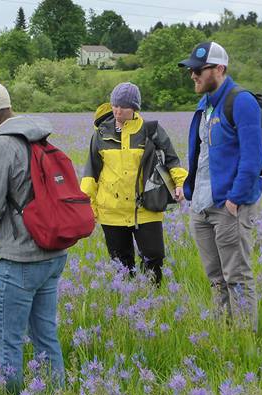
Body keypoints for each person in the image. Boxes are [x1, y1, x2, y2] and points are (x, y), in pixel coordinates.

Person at [0, 81, 67, 395]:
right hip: (51, 253)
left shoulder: (0, 143)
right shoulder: (36, 134)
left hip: (20, 257)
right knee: (45, 335)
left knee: (7, 340)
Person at [178, 41, 262, 331]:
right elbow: (202, 153)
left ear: (219, 69)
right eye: (191, 71)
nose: (193, 76)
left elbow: (253, 158)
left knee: (237, 277)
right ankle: (224, 333)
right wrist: (189, 191)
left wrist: (235, 199)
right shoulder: (205, 105)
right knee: (216, 278)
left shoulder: (241, 101)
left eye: (198, 70)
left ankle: (244, 340)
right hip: (202, 205)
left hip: (229, 206)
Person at [80, 82, 187, 284]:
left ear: (135, 108)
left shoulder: (151, 130)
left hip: (147, 207)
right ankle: (127, 300)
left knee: (154, 259)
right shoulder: (101, 134)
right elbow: (90, 173)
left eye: (123, 107)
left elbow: (172, 159)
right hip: (111, 210)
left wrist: (180, 183)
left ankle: (152, 301)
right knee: (121, 264)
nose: (118, 111)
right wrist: (88, 207)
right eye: (115, 105)